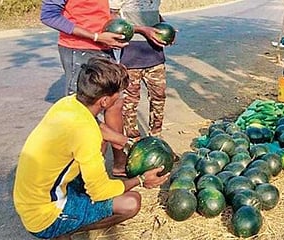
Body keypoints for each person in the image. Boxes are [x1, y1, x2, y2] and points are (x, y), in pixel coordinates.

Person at [13, 57, 170, 240]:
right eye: (118, 94)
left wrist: (126, 141)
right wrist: (141, 180)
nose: (120, 97)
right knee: (131, 202)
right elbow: (100, 192)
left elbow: (95, 124)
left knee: (96, 154)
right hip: (43, 216)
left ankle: (68, 216)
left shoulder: (68, 103)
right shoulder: (86, 135)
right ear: (104, 101)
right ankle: (62, 230)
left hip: (30, 199)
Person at [40, 0, 131, 176]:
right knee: (84, 114)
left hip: (106, 48)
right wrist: (95, 36)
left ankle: (120, 162)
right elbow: (49, 15)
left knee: (115, 103)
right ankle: (84, 175)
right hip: (79, 49)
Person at [109, 0, 171, 140]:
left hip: (155, 55)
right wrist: (142, 29)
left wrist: (166, 29)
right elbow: (112, 19)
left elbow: (155, 15)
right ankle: (133, 142)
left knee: (159, 98)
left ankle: (156, 139)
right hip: (130, 56)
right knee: (130, 102)